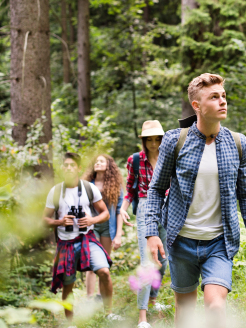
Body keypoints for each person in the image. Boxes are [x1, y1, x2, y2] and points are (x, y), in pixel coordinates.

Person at [145, 73, 246, 328]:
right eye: (214, 97)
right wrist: (151, 233)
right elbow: (156, 189)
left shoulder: (237, 143)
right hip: (181, 241)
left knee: (215, 307)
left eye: (223, 95)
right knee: (186, 312)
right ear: (197, 106)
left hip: (219, 243)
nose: (222, 101)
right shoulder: (174, 140)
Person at [43, 152, 119, 322]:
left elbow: (105, 213)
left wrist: (91, 219)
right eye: (66, 165)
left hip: (87, 239)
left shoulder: (88, 188)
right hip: (66, 243)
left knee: (105, 272)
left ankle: (109, 314)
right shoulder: (55, 191)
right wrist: (60, 222)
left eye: (72, 165)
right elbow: (44, 220)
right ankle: (70, 323)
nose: (69, 168)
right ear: (62, 169)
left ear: (78, 168)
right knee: (68, 284)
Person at [119, 120, 169, 328]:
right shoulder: (136, 160)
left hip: (167, 208)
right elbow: (130, 188)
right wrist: (123, 208)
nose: (154, 143)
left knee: (163, 260)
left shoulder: (168, 157)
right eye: (150, 139)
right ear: (143, 140)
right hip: (145, 208)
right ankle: (142, 317)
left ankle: (153, 298)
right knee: (147, 263)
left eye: (157, 139)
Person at [83, 154, 125, 299]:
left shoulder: (115, 186)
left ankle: (100, 296)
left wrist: (118, 234)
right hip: (90, 227)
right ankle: (89, 298)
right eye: (96, 161)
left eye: (101, 161)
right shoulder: (86, 184)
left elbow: (120, 210)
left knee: (103, 261)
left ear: (109, 165)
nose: (98, 163)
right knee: (90, 262)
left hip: (108, 227)